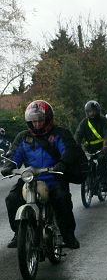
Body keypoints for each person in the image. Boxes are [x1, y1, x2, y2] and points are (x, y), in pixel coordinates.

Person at [1, 100, 80, 249]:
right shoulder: (23, 137)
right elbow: (14, 155)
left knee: (62, 200)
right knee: (12, 199)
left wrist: (62, 163)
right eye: (33, 121)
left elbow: (69, 150)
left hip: (54, 177)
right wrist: (8, 165)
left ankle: (68, 235)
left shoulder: (59, 134)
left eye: (40, 120)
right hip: (30, 179)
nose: (37, 124)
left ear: (48, 119)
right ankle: (19, 232)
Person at [75, 101, 107, 192]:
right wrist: (75, 147)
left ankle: (104, 182)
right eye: (89, 111)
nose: (92, 113)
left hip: (102, 147)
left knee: (102, 160)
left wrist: (106, 147)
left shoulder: (103, 120)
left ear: (97, 111)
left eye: (93, 111)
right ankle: (88, 179)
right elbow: (78, 135)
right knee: (84, 162)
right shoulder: (84, 122)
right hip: (89, 149)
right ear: (86, 112)